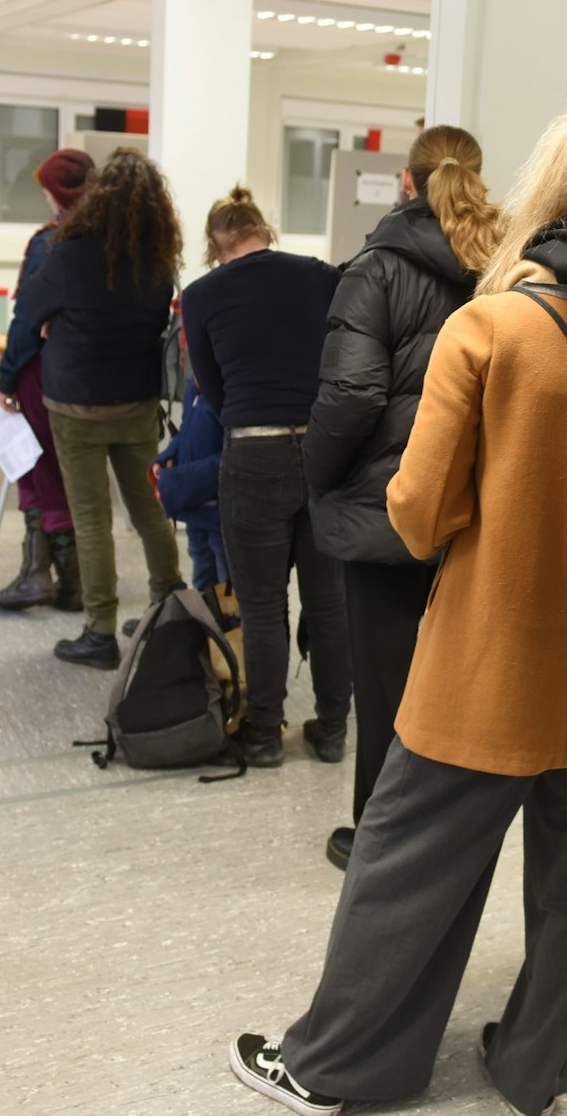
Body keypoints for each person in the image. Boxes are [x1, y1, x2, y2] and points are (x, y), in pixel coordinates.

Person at [229, 99, 567, 1116]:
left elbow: (417, 513)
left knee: (406, 867)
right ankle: (535, 1070)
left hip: (486, 664)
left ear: (554, 187)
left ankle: (340, 1064)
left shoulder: (491, 326)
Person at [302, 124, 500, 871]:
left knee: (384, 686)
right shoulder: (508, 269)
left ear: (406, 182)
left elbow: (352, 394)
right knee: (462, 682)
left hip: (386, 510)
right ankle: (448, 835)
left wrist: (317, 472)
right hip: (476, 506)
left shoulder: (376, 269)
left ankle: (379, 841)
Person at [181, 188, 349, 768]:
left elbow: (213, 391)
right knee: (329, 604)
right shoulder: (322, 276)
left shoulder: (200, 296)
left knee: (261, 605)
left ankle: (263, 734)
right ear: (265, 231)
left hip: (253, 454)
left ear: (214, 246)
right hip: (323, 450)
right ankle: (333, 730)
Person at [4, 147, 182, 668]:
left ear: (100, 194)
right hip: (136, 401)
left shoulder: (70, 252)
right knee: (148, 510)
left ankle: (100, 632)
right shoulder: (158, 260)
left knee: (91, 519)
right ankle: (165, 609)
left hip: (76, 404)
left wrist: (53, 320)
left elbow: (28, 307)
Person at [0, 148, 95, 613]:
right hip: (94, 376)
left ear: (57, 194)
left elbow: (28, 318)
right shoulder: (116, 238)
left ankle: (41, 576)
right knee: (64, 473)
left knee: (37, 470)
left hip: (42, 371)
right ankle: (67, 582)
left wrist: (7, 377)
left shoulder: (49, 242)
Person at [153, 375, 228, 591]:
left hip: (220, 515)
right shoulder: (194, 389)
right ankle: (204, 612)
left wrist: (179, 479)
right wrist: (167, 456)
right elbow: (185, 433)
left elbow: (234, 457)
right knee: (202, 579)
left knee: (228, 586)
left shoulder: (226, 394)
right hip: (194, 510)